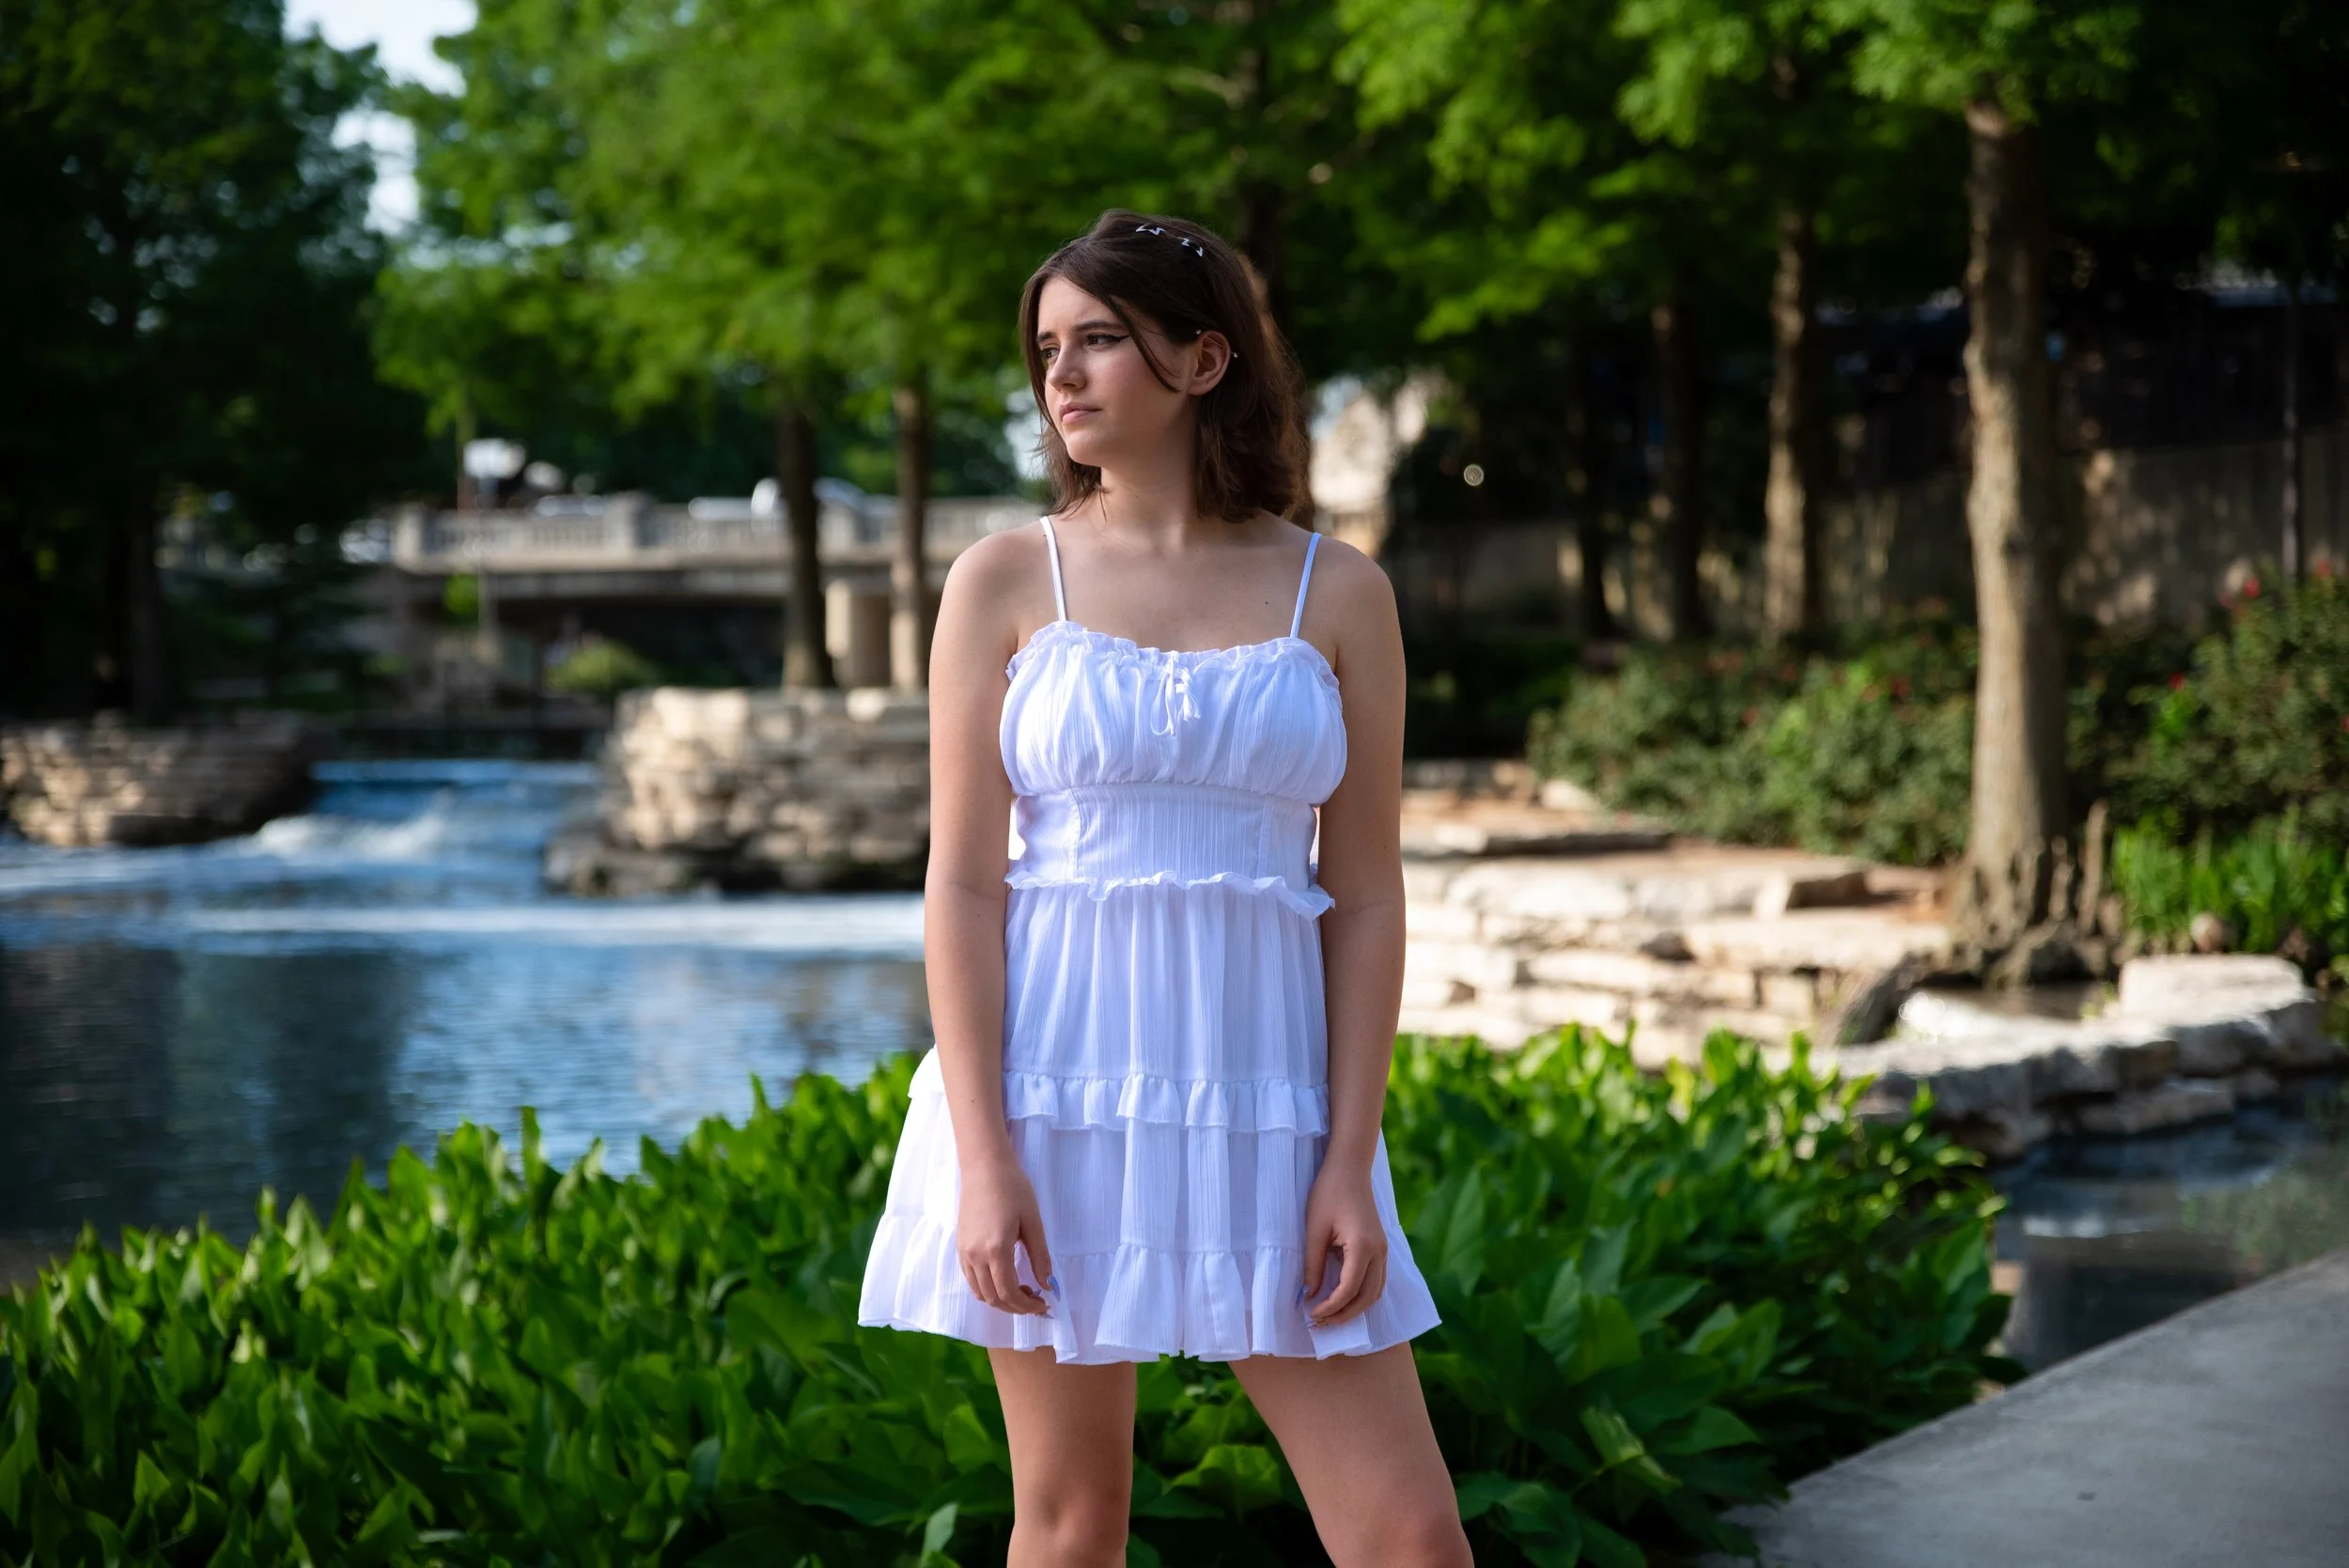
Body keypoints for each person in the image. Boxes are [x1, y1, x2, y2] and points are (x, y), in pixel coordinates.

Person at [859, 210, 1469, 1568]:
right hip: (1051, 1093)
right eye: (1046, 350)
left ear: (1204, 362)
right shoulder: (1007, 578)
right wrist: (984, 1156)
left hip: (1267, 1104)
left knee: (1411, 1538)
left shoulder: (1340, 592)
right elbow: (963, 884)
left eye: (1099, 343)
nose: (1061, 377)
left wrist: (1349, 1162)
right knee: (1073, 1528)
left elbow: (1364, 895)